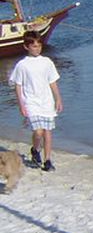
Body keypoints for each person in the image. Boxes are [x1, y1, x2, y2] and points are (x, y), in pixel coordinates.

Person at [10, 31, 63, 172]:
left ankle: (47, 160)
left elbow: (52, 82)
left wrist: (58, 98)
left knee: (47, 131)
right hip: (31, 102)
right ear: (26, 47)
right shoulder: (22, 65)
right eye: (34, 46)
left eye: (39, 45)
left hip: (46, 102)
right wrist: (21, 104)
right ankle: (35, 149)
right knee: (38, 132)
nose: (37, 48)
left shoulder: (47, 62)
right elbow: (18, 85)